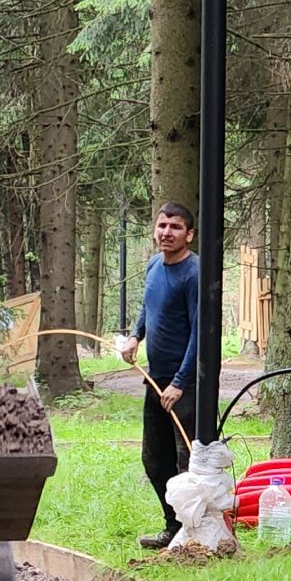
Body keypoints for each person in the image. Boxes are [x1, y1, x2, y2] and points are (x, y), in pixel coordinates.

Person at [121, 202, 199, 549]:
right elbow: (147, 308)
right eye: (162, 225)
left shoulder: (194, 274)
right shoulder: (154, 264)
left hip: (185, 385)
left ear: (189, 234)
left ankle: (192, 536)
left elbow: (201, 333)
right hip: (154, 378)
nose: (167, 232)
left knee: (187, 462)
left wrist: (180, 384)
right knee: (154, 458)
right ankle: (172, 528)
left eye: (176, 227)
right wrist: (135, 337)